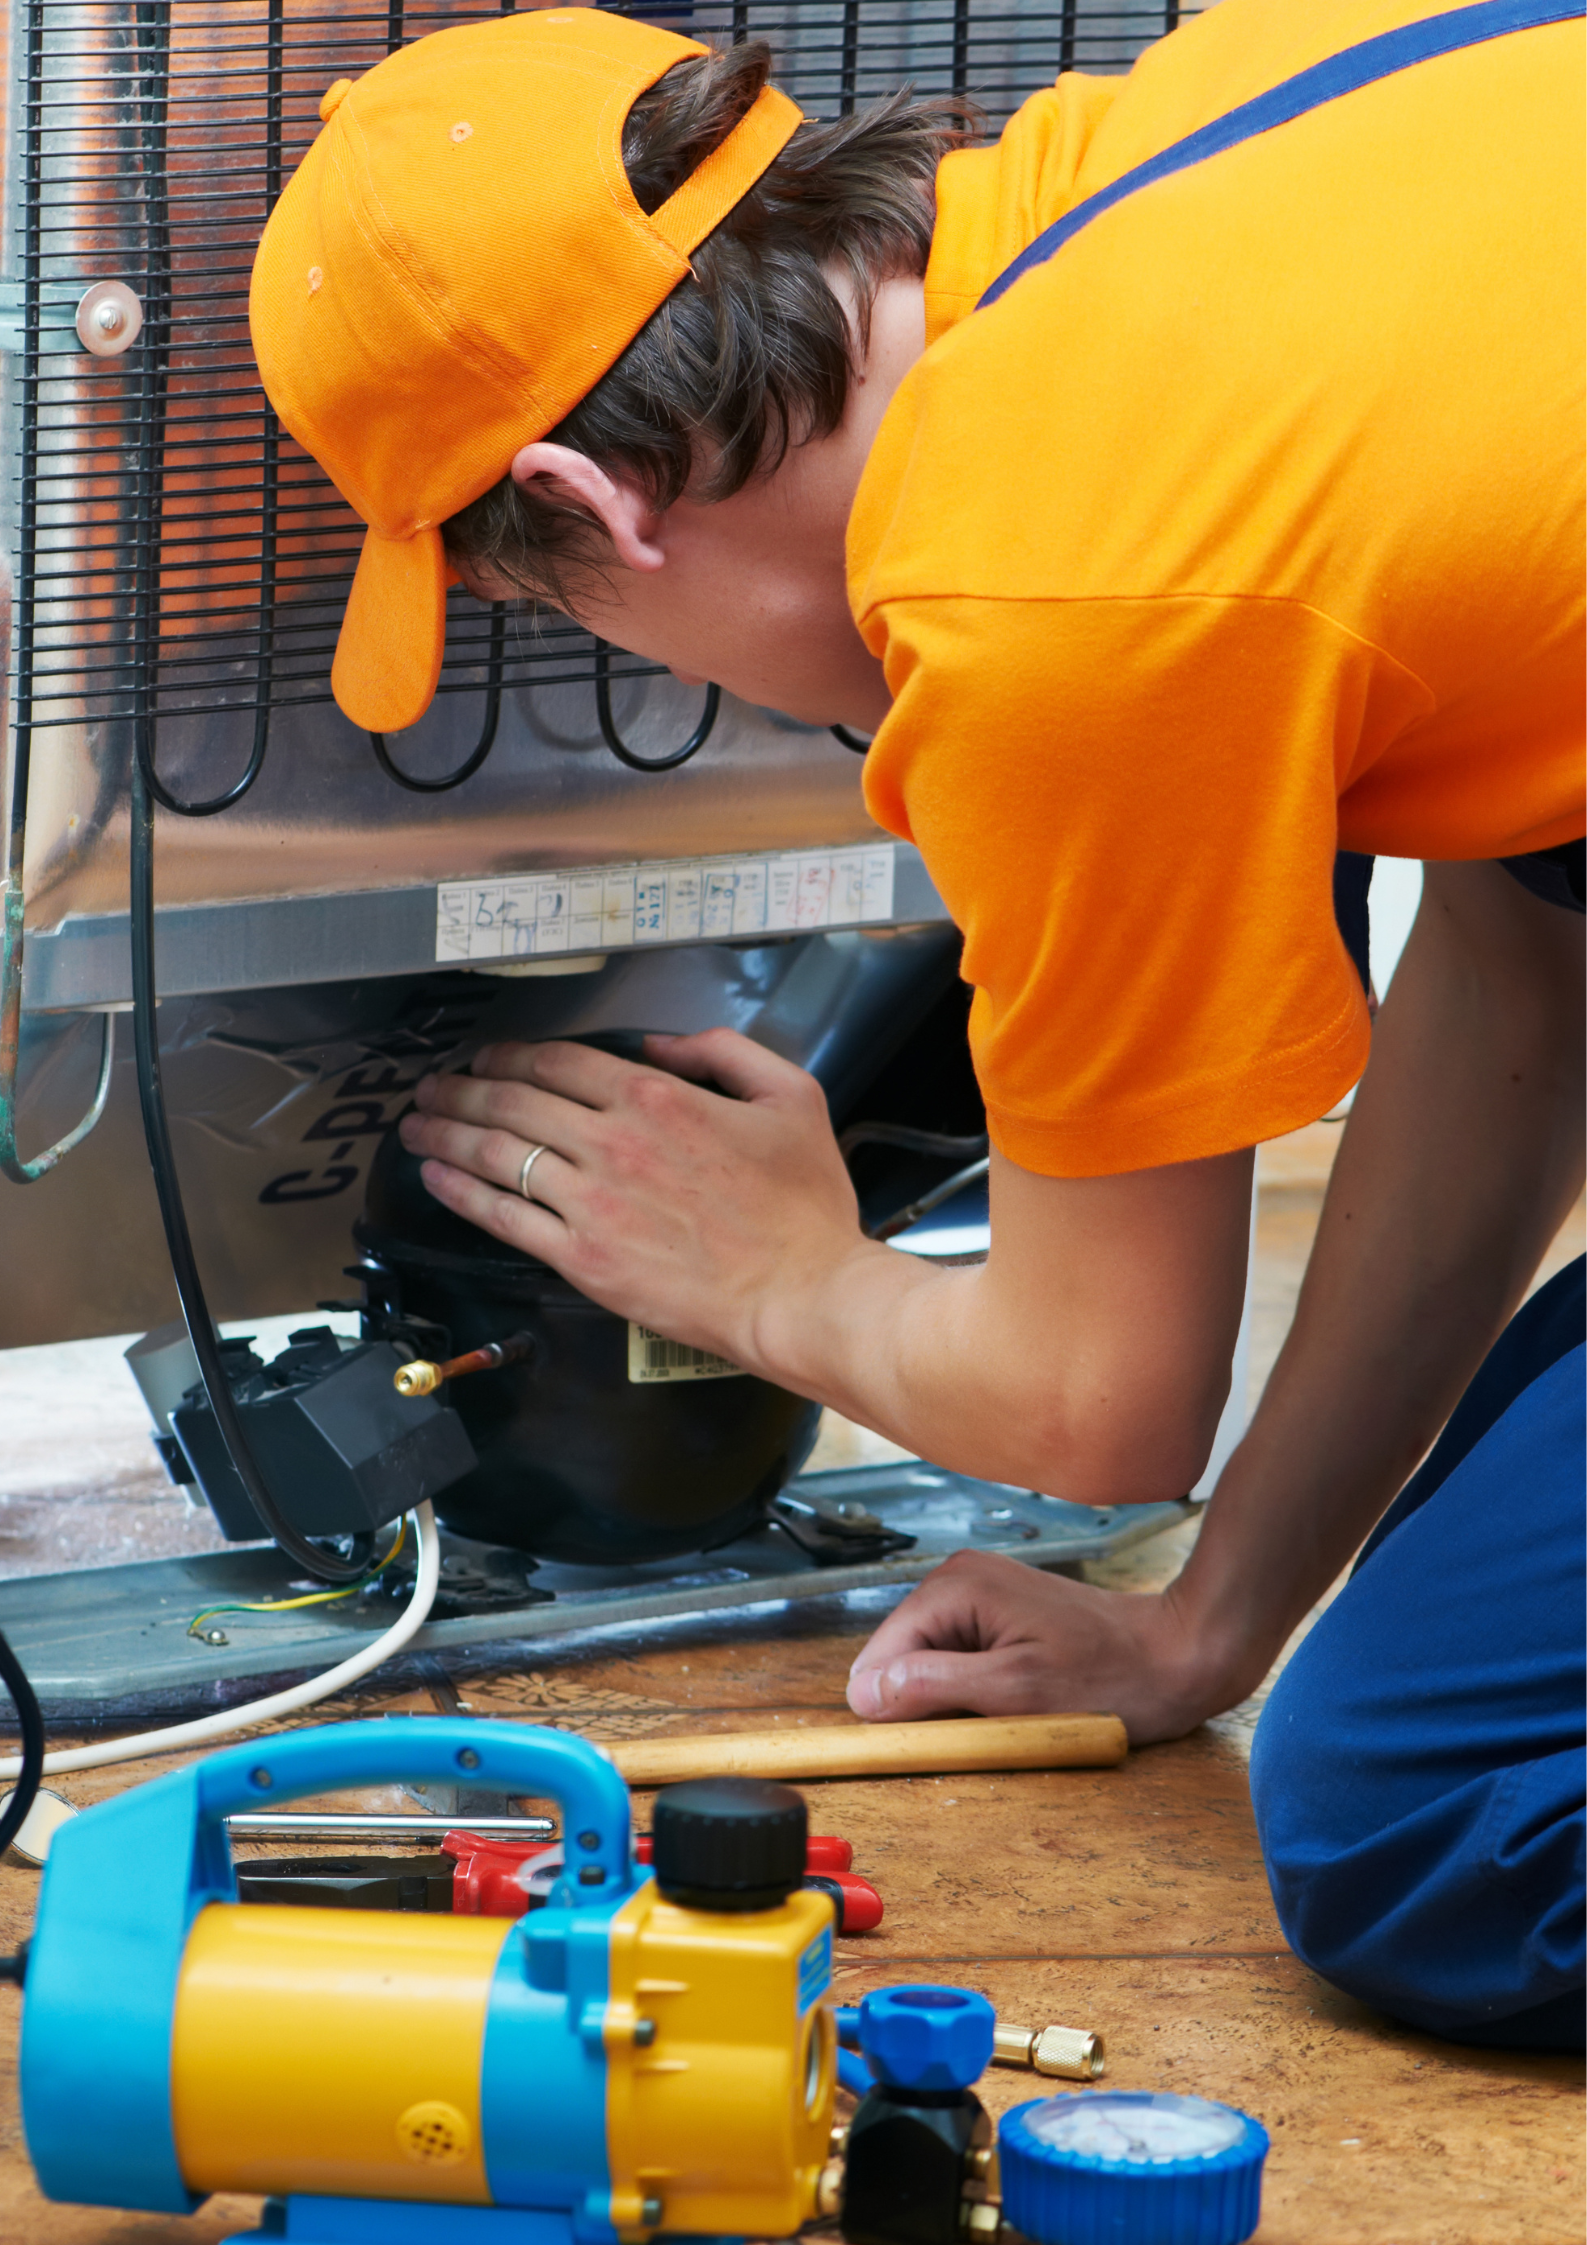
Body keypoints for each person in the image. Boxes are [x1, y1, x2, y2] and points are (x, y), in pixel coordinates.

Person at [249, 0, 1585, 2047]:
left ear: (596, 513)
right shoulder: (1163, 138)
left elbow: (1094, 1405)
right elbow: (1533, 936)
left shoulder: (1050, 606)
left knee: (1430, 1819)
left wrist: (786, 1281)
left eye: (555, 609)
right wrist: (1209, 1620)